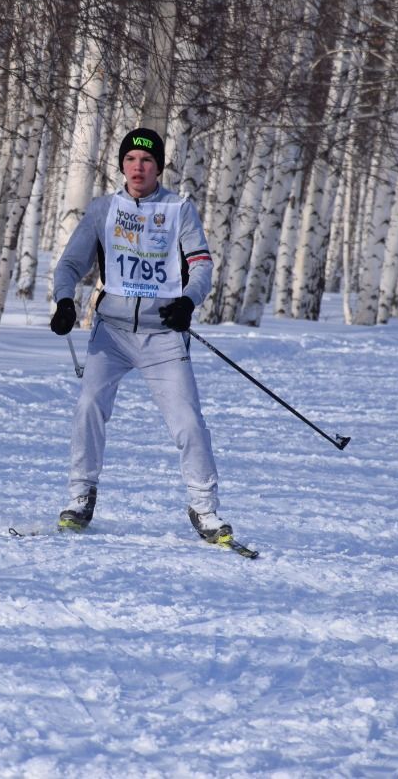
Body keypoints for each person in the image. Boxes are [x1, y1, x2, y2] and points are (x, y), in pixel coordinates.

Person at [49, 127, 235, 546]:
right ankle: (80, 498)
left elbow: (202, 265)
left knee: (188, 421)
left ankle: (205, 509)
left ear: (158, 167)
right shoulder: (102, 210)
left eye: (147, 160)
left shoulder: (179, 210)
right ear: (121, 164)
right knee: (89, 407)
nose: (138, 167)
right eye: (131, 159)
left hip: (162, 336)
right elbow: (69, 266)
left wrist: (188, 301)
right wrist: (64, 302)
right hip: (111, 333)